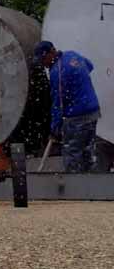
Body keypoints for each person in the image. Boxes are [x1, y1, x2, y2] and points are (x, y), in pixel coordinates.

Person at [37, 42, 102, 172]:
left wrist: (54, 129)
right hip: (93, 111)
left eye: (43, 59)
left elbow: (58, 104)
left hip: (78, 117)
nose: (42, 63)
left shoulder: (57, 72)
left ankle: (74, 187)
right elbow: (89, 66)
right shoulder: (72, 55)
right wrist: (77, 82)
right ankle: (90, 184)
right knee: (87, 152)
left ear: (51, 53)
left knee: (72, 154)